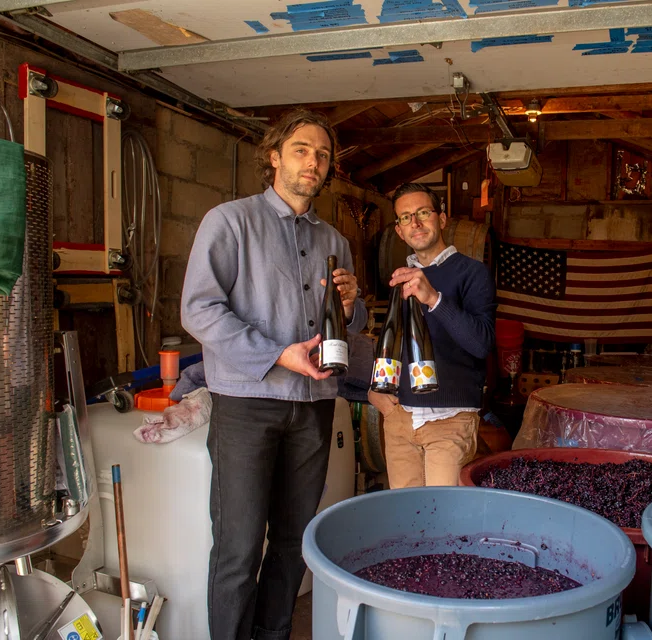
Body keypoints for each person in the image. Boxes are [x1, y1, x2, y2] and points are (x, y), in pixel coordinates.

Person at [181, 109, 366, 640]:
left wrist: (354, 307)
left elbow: (350, 331)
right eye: (303, 149)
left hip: (313, 406)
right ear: (275, 156)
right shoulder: (230, 221)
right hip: (247, 404)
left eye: (323, 155)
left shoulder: (335, 240)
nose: (314, 162)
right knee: (239, 547)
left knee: (292, 543)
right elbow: (199, 310)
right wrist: (277, 354)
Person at [367, 183, 496, 488]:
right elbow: (394, 341)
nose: (415, 222)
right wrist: (375, 389)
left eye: (423, 212)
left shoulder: (473, 273)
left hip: (450, 420)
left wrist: (434, 299)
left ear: (441, 219)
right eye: (405, 217)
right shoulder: (400, 279)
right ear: (399, 231)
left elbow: (481, 344)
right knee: (405, 520)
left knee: (444, 522)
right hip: (400, 418)